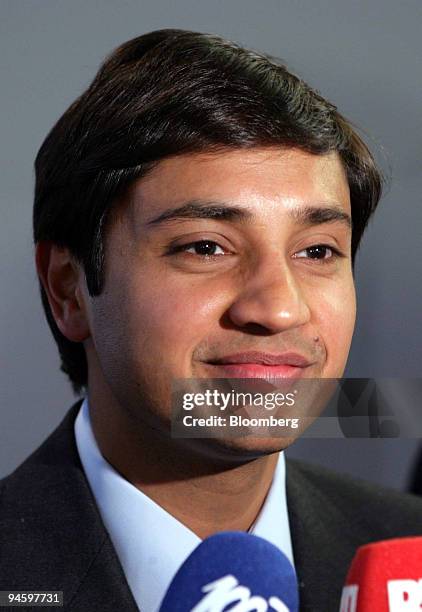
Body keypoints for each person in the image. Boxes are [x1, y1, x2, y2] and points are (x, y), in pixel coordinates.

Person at [1, 29, 421, 612]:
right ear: (68, 289)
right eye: (205, 248)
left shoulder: (408, 549)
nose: (279, 309)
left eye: (317, 251)